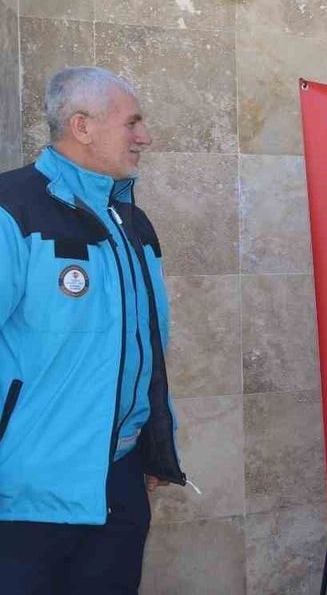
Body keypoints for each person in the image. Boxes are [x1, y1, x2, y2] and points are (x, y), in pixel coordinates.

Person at [0, 66, 187, 593]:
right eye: (132, 123)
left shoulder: (133, 222)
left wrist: (154, 443)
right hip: (28, 494)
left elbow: (147, 345)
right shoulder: (11, 209)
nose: (144, 137)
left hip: (119, 481)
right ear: (81, 126)